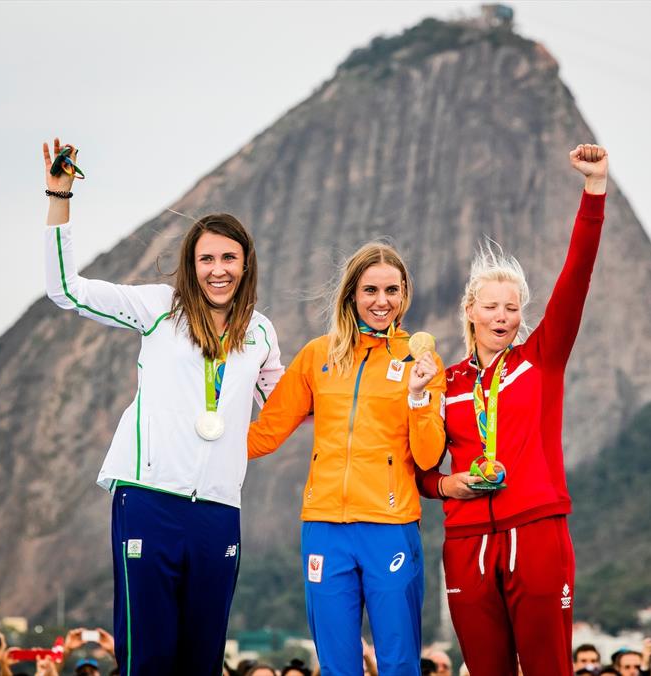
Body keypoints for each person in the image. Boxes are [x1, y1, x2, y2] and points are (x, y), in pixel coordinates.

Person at [43, 139, 284, 675]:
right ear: (191, 264)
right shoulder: (157, 309)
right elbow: (65, 291)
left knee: (201, 659)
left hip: (220, 510)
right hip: (150, 500)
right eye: (206, 259)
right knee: (148, 656)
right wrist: (59, 196)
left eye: (228, 258)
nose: (217, 270)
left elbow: (293, 403)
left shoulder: (261, 333)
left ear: (246, 264)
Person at [416, 144, 609, 676]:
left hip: (537, 533)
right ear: (470, 311)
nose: (502, 316)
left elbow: (578, 275)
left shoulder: (541, 360)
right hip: (466, 541)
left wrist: (594, 190)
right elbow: (417, 464)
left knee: (549, 667)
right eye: (491, 306)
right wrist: (444, 487)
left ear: (521, 314)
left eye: (512, 307)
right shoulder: (444, 380)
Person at [247, 242, 446, 675]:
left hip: (390, 528)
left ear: (404, 293)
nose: (382, 301)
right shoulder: (318, 355)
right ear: (352, 294)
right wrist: (193, 439)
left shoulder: (420, 359)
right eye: (371, 290)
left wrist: (416, 395)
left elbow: (430, 457)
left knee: (398, 663)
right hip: (323, 530)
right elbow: (264, 435)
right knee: (338, 665)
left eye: (392, 290)